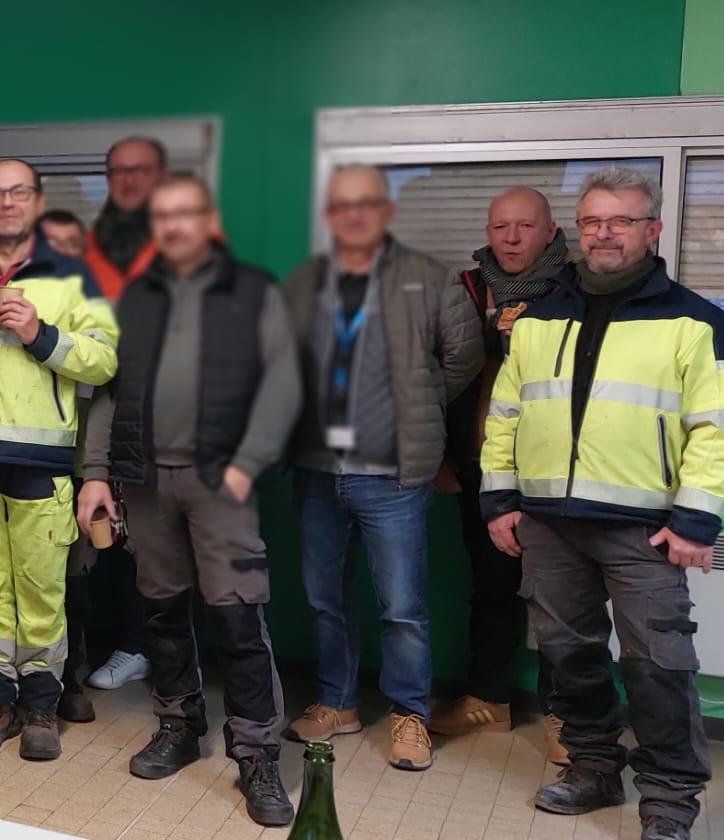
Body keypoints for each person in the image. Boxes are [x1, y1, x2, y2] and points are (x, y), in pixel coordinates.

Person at [482, 167, 718, 840]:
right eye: (593, 221)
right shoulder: (539, 318)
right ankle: (592, 768)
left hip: (644, 529)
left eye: (621, 220)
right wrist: (499, 500)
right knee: (570, 656)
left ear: (652, 228)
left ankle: (670, 801)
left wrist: (696, 520)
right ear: (578, 230)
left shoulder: (694, 322)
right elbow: (506, 415)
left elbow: (715, 429)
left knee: (658, 667)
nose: (605, 233)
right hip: (549, 525)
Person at [75, 174, 300, 827]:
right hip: (145, 482)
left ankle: (257, 756)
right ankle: (179, 726)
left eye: (185, 214)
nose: (173, 226)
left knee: (238, 620)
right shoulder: (137, 299)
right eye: (162, 216)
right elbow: (110, 391)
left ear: (208, 221)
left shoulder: (253, 292)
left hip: (220, 487)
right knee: (163, 614)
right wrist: (96, 472)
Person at [280, 165, 483, 771]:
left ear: (385, 211)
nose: (355, 214)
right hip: (317, 472)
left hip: (392, 475)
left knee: (402, 607)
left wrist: (408, 406)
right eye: (342, 204)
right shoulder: (306, 282)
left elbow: (463, 359)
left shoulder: (430, 279)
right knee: (324, 599)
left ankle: (409, 714)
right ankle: (338, 702)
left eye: (367, 202)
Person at [0, 160, 119, 762]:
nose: (8, 203)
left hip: (41, 465)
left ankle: (41, 708)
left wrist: (43, 335)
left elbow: (103, 362)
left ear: (38, 202)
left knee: (43, 592)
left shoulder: (75, 277)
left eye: (19, 192)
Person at [430, 186, 574, 764]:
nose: (511, 239)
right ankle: (488, 700)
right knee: (491, 588)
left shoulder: (578, 289)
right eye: (500, 227)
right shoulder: (466, 288)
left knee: (565, 598)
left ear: (550, 230)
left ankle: (569, 715)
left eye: (524, 226)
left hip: (556, 471)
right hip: (482, 466)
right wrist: (444, 453)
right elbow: (442, 375)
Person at [36, 208, 149, 699]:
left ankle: (105, 660)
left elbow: (113, 388)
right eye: (50, 244)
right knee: (52, 573)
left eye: (69, 244)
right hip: (42, 460)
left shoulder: (107, 306)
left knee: (105, 566)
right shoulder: (24, 303)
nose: (60, 253)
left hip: (96, 464)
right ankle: (57, 677)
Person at [84, 136, 167, 299]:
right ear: (108, 180)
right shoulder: (82, 247)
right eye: (119, 172)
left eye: (141, 170)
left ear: (163, 176)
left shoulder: (196, 243)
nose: (128, 181)